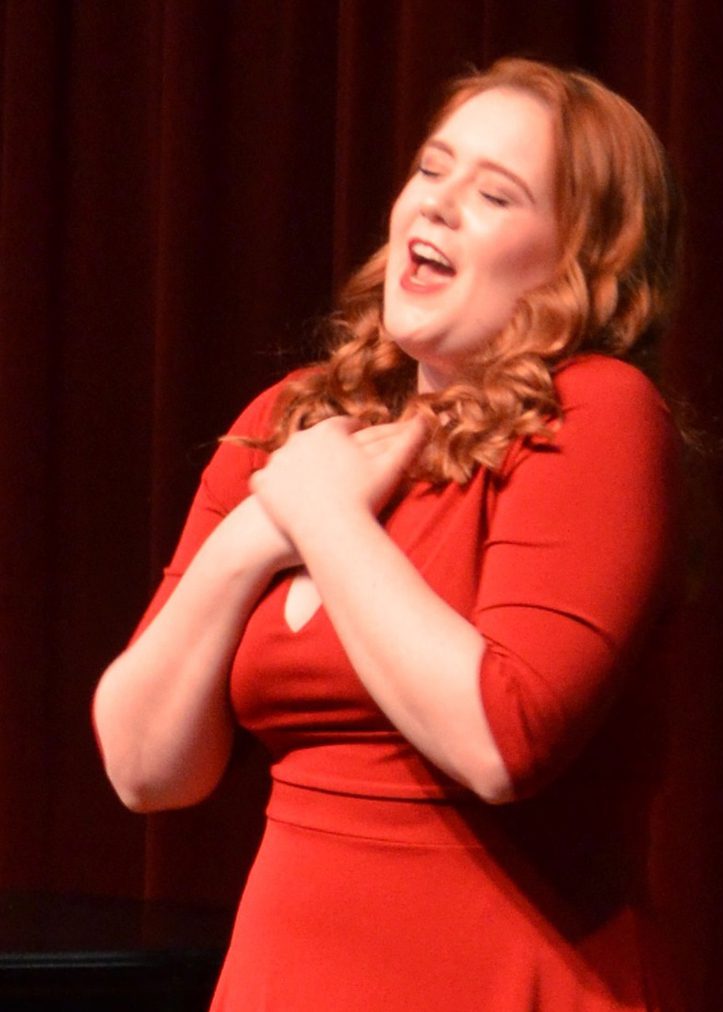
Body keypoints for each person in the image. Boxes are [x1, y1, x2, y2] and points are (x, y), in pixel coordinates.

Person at [93, 57, 684, 1011]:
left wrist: (324, 519)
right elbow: (143, 768)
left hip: (502, 981)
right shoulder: (295, 426)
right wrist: (256, 531)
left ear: (579, 262)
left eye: (495, 194)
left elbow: (503, 739)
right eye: (432, 170)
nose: (439, 207)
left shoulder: (598, 415)